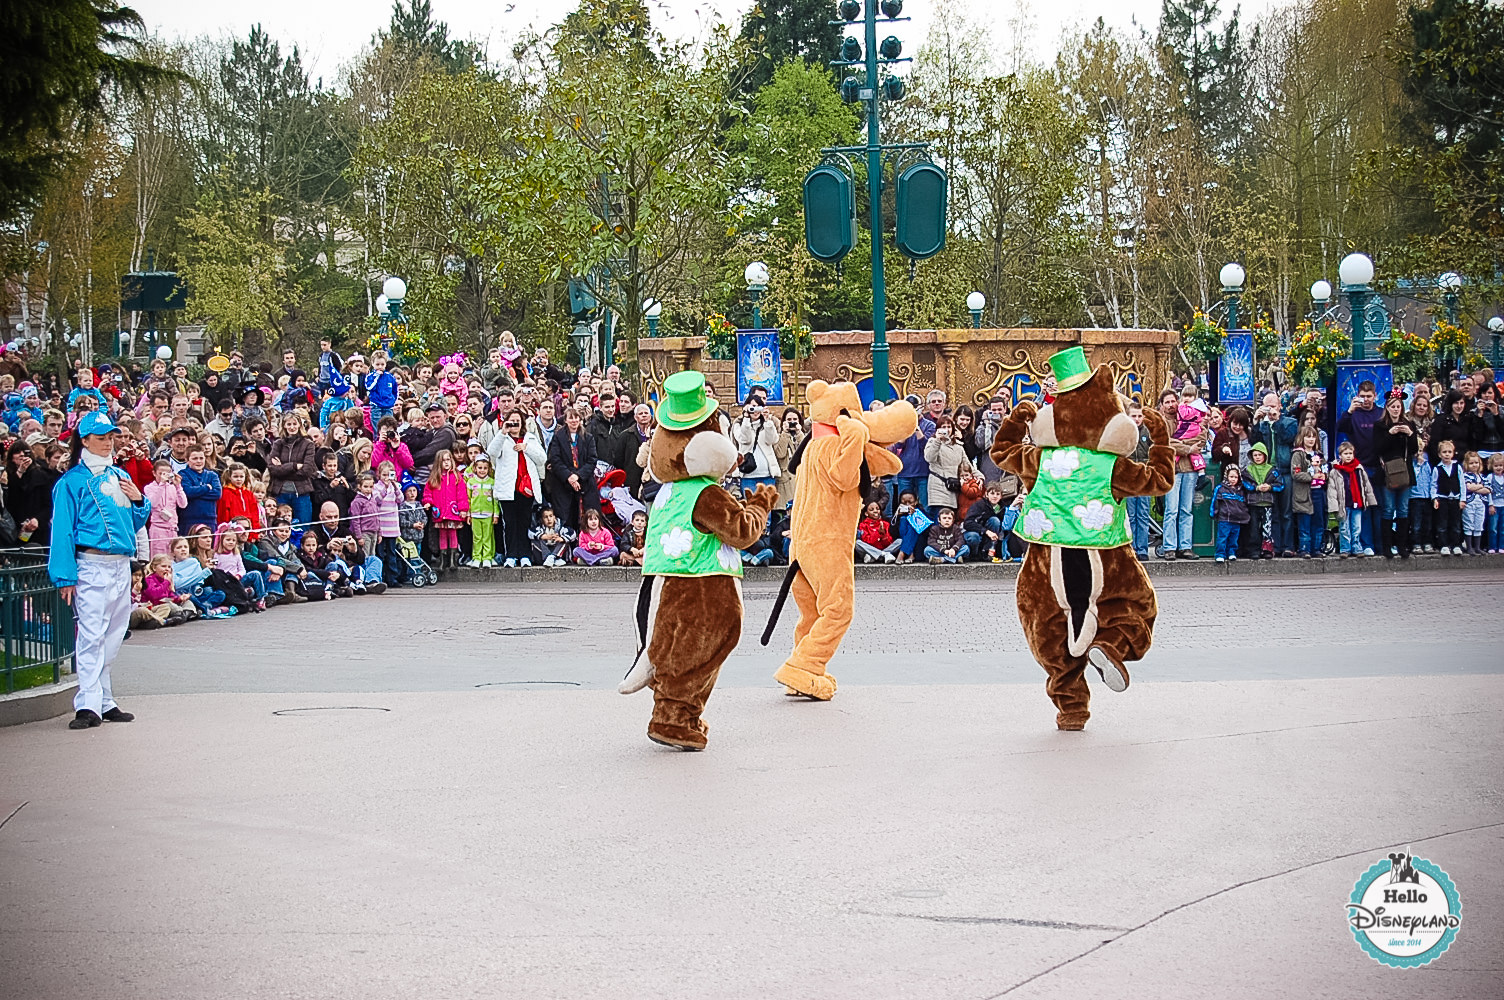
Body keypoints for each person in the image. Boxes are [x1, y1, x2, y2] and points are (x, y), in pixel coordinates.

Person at [47, 411, 151, 729]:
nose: (108, 443)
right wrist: (65, 575)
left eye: (110, 437)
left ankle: (104, 699)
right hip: (90, 564)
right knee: (92, 633)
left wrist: (139, 502)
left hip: (119, 564)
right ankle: (88, 703)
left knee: (114, 634)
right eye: (102, 438)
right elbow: (62, 529)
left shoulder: (120, 476)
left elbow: (132, 522)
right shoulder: (70, 482)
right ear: (86, 440)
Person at [489, 409, 544, 567]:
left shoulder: (530, 438)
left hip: (525, 489)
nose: (514, 425)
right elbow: (491, 452)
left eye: (517, 422)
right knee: (510, 524)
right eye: (511, 422)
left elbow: (542, 459)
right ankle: (511, 555)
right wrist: (502, 432)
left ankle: (525, 554)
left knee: (524, 522)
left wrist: (526, 448)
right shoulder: (502, 438)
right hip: (508, 488)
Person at [1162, 388, 1206, 559]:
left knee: (1186, 509)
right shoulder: (1162, 422)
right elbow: (1166, 443)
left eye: (1173, 401)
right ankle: (1169, 547)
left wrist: (1180, 443)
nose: (1171, 405)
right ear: (1163, 405)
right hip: (1172, 470)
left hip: (1189, 469)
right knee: (1171, 510)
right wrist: (1188, 447)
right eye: (1167, 402)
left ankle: (1185, 546)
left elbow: (1201, 438)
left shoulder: (1193, 415)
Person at [1373, 389, 1418, 558]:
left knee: (1403, 509)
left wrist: (1410, 434)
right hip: (1388, 472)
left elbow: (1414, 449)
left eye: (1398, 406)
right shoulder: (1380, 426)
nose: (1396, 409)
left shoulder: (1408, 424)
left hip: (1405, 471)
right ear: (1387, 408)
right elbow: (1377, 448)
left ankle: (1402, 546)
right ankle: (1387, 546)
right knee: (1388, 508)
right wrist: (1390, 434)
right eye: (1392, 406)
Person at [546, 408, 597, 531]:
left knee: (587, 518)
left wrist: (578, 476)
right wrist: (569, 476)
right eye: (571, 418)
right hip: (563, 484)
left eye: (576, 418)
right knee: (565, 519)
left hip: (584, 483)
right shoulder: (558, 437)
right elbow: (555, 460)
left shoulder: (588, 437)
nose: (574, 421)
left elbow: (592, 460)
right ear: (566, 420)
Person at [268, 412, 316, 528]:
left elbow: (306, 471)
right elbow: (273, 469)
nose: (292, 427)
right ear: (284, 426)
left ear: (300, 425)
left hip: (301, 493)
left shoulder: (308, 444)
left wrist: (282, 468)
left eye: (295, 424)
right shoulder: (278, 444)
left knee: (303, 528)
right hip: (281, 493)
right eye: (288, 424)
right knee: (280, 527)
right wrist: (294, 466)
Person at [1329, 440, 1375, 558]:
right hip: (1343, 504)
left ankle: (1356, 547)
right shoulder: (1335, 471)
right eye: (1345, 453)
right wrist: (1334, 506)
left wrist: (1370, 500)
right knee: (1344, 528)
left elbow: (1366, 485)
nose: (1348, 456)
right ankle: (1345, 548)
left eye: (1350, 453)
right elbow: (1332, 490)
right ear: (1340, 455)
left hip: (1357, 502)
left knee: (1357, 527)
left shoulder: (1359, 469)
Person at [426, 449, 469, 569]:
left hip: (452, 511)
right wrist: (428, 502)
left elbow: (462, 495)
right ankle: (442, 559)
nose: (446, 463)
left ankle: (452, 559)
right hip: (440, 511)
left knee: (453, 534)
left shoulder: (457, 477)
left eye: (448, 460)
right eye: (443, 460)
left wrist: (463, 509)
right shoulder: (434, 478)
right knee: (442, 535)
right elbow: (428, 492)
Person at [1239, 442, 1283, 559]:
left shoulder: (1272, 470)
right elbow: (1244, 483)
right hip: (1253, 503)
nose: (1257, 457)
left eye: (1260, 454)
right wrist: (1256, 488)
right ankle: (1253, 550)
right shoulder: (1247, 470)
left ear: (1265, 455)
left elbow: (1280, 484)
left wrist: (1270, 487)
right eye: (1255, 455)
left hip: (1268, 503)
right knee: (1253, 527)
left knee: (1267, 527)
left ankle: (1267, 549)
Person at [732, 394, 781, 493]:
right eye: (752, 407)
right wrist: (746, 418)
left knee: (767, 507)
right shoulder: (739, 425)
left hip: (767, 475)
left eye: (758, 407)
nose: (755, 411)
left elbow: (772, 440)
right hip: (747, 476)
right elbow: (745, 439)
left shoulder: (767, 424)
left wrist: (767, 420)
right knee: (751, 506)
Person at [1289, 428, 1326, 558]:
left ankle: (1317, 548)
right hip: (1304, 493)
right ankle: (1304, 549)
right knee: (1304, 523)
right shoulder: (1298, 454)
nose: (1311, 439)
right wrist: (1312, 477)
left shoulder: (1319, 454)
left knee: (1318, 522)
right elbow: (1296, 473)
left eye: (1313, 437)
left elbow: (1325, 470)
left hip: (1318, 492)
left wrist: (1324, 475)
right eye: (1307, 437)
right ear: (1302, 438)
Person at [962, 482, 1012, 563]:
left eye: (997, 494)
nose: (995, 496)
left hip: (990, 538)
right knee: (973, 537)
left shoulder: (1002, 508)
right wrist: (986, 531)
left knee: (995, 520)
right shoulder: (979, 505)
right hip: (974, 532)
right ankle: (973, 555)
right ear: (987, 494)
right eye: (992, 493)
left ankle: (988, 553)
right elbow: (967, 523)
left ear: (1001, 496)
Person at [1210, 462, 1250, 563]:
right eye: (1231, 476)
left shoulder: (1241, 490)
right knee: (1222, 537)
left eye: (1236, 477)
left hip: (1237, 519)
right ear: (1226, 476)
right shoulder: (1221, 488)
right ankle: (1220, 554)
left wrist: (1244, 515)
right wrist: (1213, 512)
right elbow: (1214, 501)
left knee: (1234, 538)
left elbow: (1244, 503)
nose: (1233, 479)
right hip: (1225, 518)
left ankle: (1231, 553)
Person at [464, 455, 499, 567]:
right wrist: (468, 514)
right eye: (480, 468)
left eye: (485, 468)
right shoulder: (471, 482)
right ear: (475, 468)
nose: (482, 470)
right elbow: (468, 499)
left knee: (487, 537)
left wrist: (496, 514)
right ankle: (477, 557)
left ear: (488, 469)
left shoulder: (492, 482)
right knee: (477, 537)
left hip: (488, 514)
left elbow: (495, 501)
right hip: (475, 515)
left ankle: (487, 557)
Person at [1432, 439, 1464, 555]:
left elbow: (1462, 484)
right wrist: (1434, 498)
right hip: (1443, 498)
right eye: (1444, 452)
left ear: (1453, 453)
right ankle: (1443, 545)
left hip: (1455, 498)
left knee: (1455, 523)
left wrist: (1462, 499)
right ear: (1439, 454)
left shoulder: (1457, 467)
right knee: (1442, 523)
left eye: (1449, 452)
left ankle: (1455, 544)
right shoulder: (1437, 469)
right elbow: (1433, 484)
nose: (1447, 454)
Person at [1408, 433, 1435, 554]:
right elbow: (1414, 477)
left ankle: (1427, 542)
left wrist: (1433, 496)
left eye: (1421, 450)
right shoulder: (1412, 463)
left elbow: (1432, 479)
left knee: (1427, 523)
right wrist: (1418, 464)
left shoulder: (1427, 462)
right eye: (1417, 451)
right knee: (1416, 523)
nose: (1419, 453)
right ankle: (1416, 543)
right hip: (1415, 497)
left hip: (1427, 496)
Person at [1461, 451, 1489, 555]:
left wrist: (1476, 487)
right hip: (1469, 503)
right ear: (1467, 464)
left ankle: (1477, 547)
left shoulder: (1482, 476)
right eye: (1471, 463)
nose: (1474, 465)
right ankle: (1469, 547)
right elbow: (1468, 487)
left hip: (1480, 503)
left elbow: (1488, 489)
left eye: (1476, 463)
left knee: (1479, 523)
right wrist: (1480, 486)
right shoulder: (1465, 475)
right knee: (1469, 523)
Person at [1484, 452, 1504, 553]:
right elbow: (1489, 493)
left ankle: (1501, 546)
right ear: (1492, 466)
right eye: (1496, 466)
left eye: (1501, 465)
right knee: (1493, 528)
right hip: (1494, 506)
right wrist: (1490, 504)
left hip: (1503, 506)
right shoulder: (1490, 477)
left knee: (1502, 528)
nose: (1498, 468)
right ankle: (1492, 546)